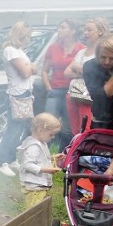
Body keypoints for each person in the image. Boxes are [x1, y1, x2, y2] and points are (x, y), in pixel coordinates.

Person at [0, 22, 38, 177]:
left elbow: (31, 69)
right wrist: (31, 67)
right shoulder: (10, 50)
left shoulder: (19, 50)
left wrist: (31, 68)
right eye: (27, 36)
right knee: (12, 130)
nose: (28, 39)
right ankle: (2, 162)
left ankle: (11, 158)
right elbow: (25, 72)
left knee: (19, 129)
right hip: (17, 93)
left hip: (25, 92)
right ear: (21, 35)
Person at [41, 19, 84, 149]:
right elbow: (44, 71)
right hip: (55, 90)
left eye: (63, 27)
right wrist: (49, 89)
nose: (59, 30)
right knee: (47, 123)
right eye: (59, 27)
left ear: (72, 31)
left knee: (68, 126)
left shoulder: (81, 49)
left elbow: (84, 72)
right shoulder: (53, 48)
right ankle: (42, 154)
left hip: (72, 91)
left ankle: (64, 156)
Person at [65, 18, 108, 135]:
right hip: (72, 94)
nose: (85, 33)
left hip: (88, 97)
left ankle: (84, 151)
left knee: (86, 130)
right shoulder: (81, 51)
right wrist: (85, 71)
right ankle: (76, 151)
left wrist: (78, 68)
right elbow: (67, 72)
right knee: (75, 130)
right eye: (84, 30)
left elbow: (100, 72)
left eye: (89, 30)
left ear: (100, 31)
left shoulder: (103, 52)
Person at [83, 32, 113, 130]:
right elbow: (103, 96)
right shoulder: (90, 66)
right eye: (103, 57)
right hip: (102, 120)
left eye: (112, 58)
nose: (107, 61)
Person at [17, 113, 62, 209]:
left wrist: (53, 157)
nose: (53, 137)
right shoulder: (33, 147)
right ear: (40, 130)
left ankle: (37, 222)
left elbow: (40, 158)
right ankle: (31, 224)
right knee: (33, 211)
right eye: (51, 134)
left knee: (39, 209)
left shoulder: (42, 142)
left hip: (39, 185)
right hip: (34, 187)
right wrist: (46, 170)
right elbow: (27, 165)